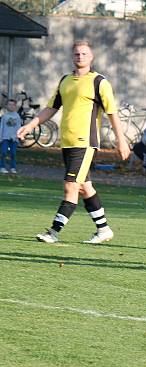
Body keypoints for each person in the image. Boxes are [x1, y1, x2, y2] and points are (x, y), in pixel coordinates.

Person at [18, 40, 129, 244]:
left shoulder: (99, 82)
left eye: (84, 54)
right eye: (77, 54)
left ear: (91, 57)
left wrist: (121, 141)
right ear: (72, 56)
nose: (80, 57)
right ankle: (103, 230)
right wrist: (31, 125)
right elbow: (50, 108)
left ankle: (53, 232)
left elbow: (112, 113)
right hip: (67, 143)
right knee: (85, 187)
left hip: (85, 142)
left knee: (70, 186)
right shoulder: (65, 80)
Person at [0, 99, 22, 174]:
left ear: (15, 106)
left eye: (13, 105)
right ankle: (2, 167)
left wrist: (17, 137)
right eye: (9, 104)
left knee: (13, 153)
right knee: (3, 152)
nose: (11, 106)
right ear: (6, 106)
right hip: (5, 138)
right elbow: (1, 127)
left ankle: (13, 167)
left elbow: (18, 128)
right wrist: (0, 137)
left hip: (14, 139)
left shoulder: (17, 117)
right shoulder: (4, 116)